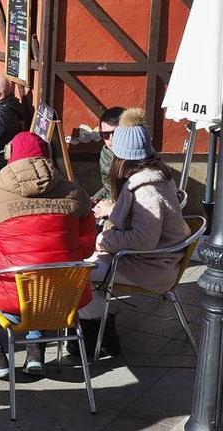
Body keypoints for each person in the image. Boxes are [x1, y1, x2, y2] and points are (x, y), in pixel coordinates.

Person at [0, 132, 96, 378]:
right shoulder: (76, 194)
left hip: (13, 300)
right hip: (65, 298)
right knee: (44, 269)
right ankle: (35, 350)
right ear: (47, 157)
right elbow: (87, 248)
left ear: (10, 158)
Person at [76, 108, 190, 356]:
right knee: (86, 265)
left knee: (79, 275)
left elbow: (143, 239)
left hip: (152, 267)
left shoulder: (146, 189)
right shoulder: (154, 176)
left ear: (123, 156)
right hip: (153, 260)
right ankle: (100, 328)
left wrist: (103, 240)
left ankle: (99, 336)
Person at [91, 106, 126, 219]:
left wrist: (110, 208)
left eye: (116, 134)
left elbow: (139, 201)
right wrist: (95, 199)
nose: (111, 140)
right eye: (105, 135)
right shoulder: (106, 153)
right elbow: (108, 187)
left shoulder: (139, 158)